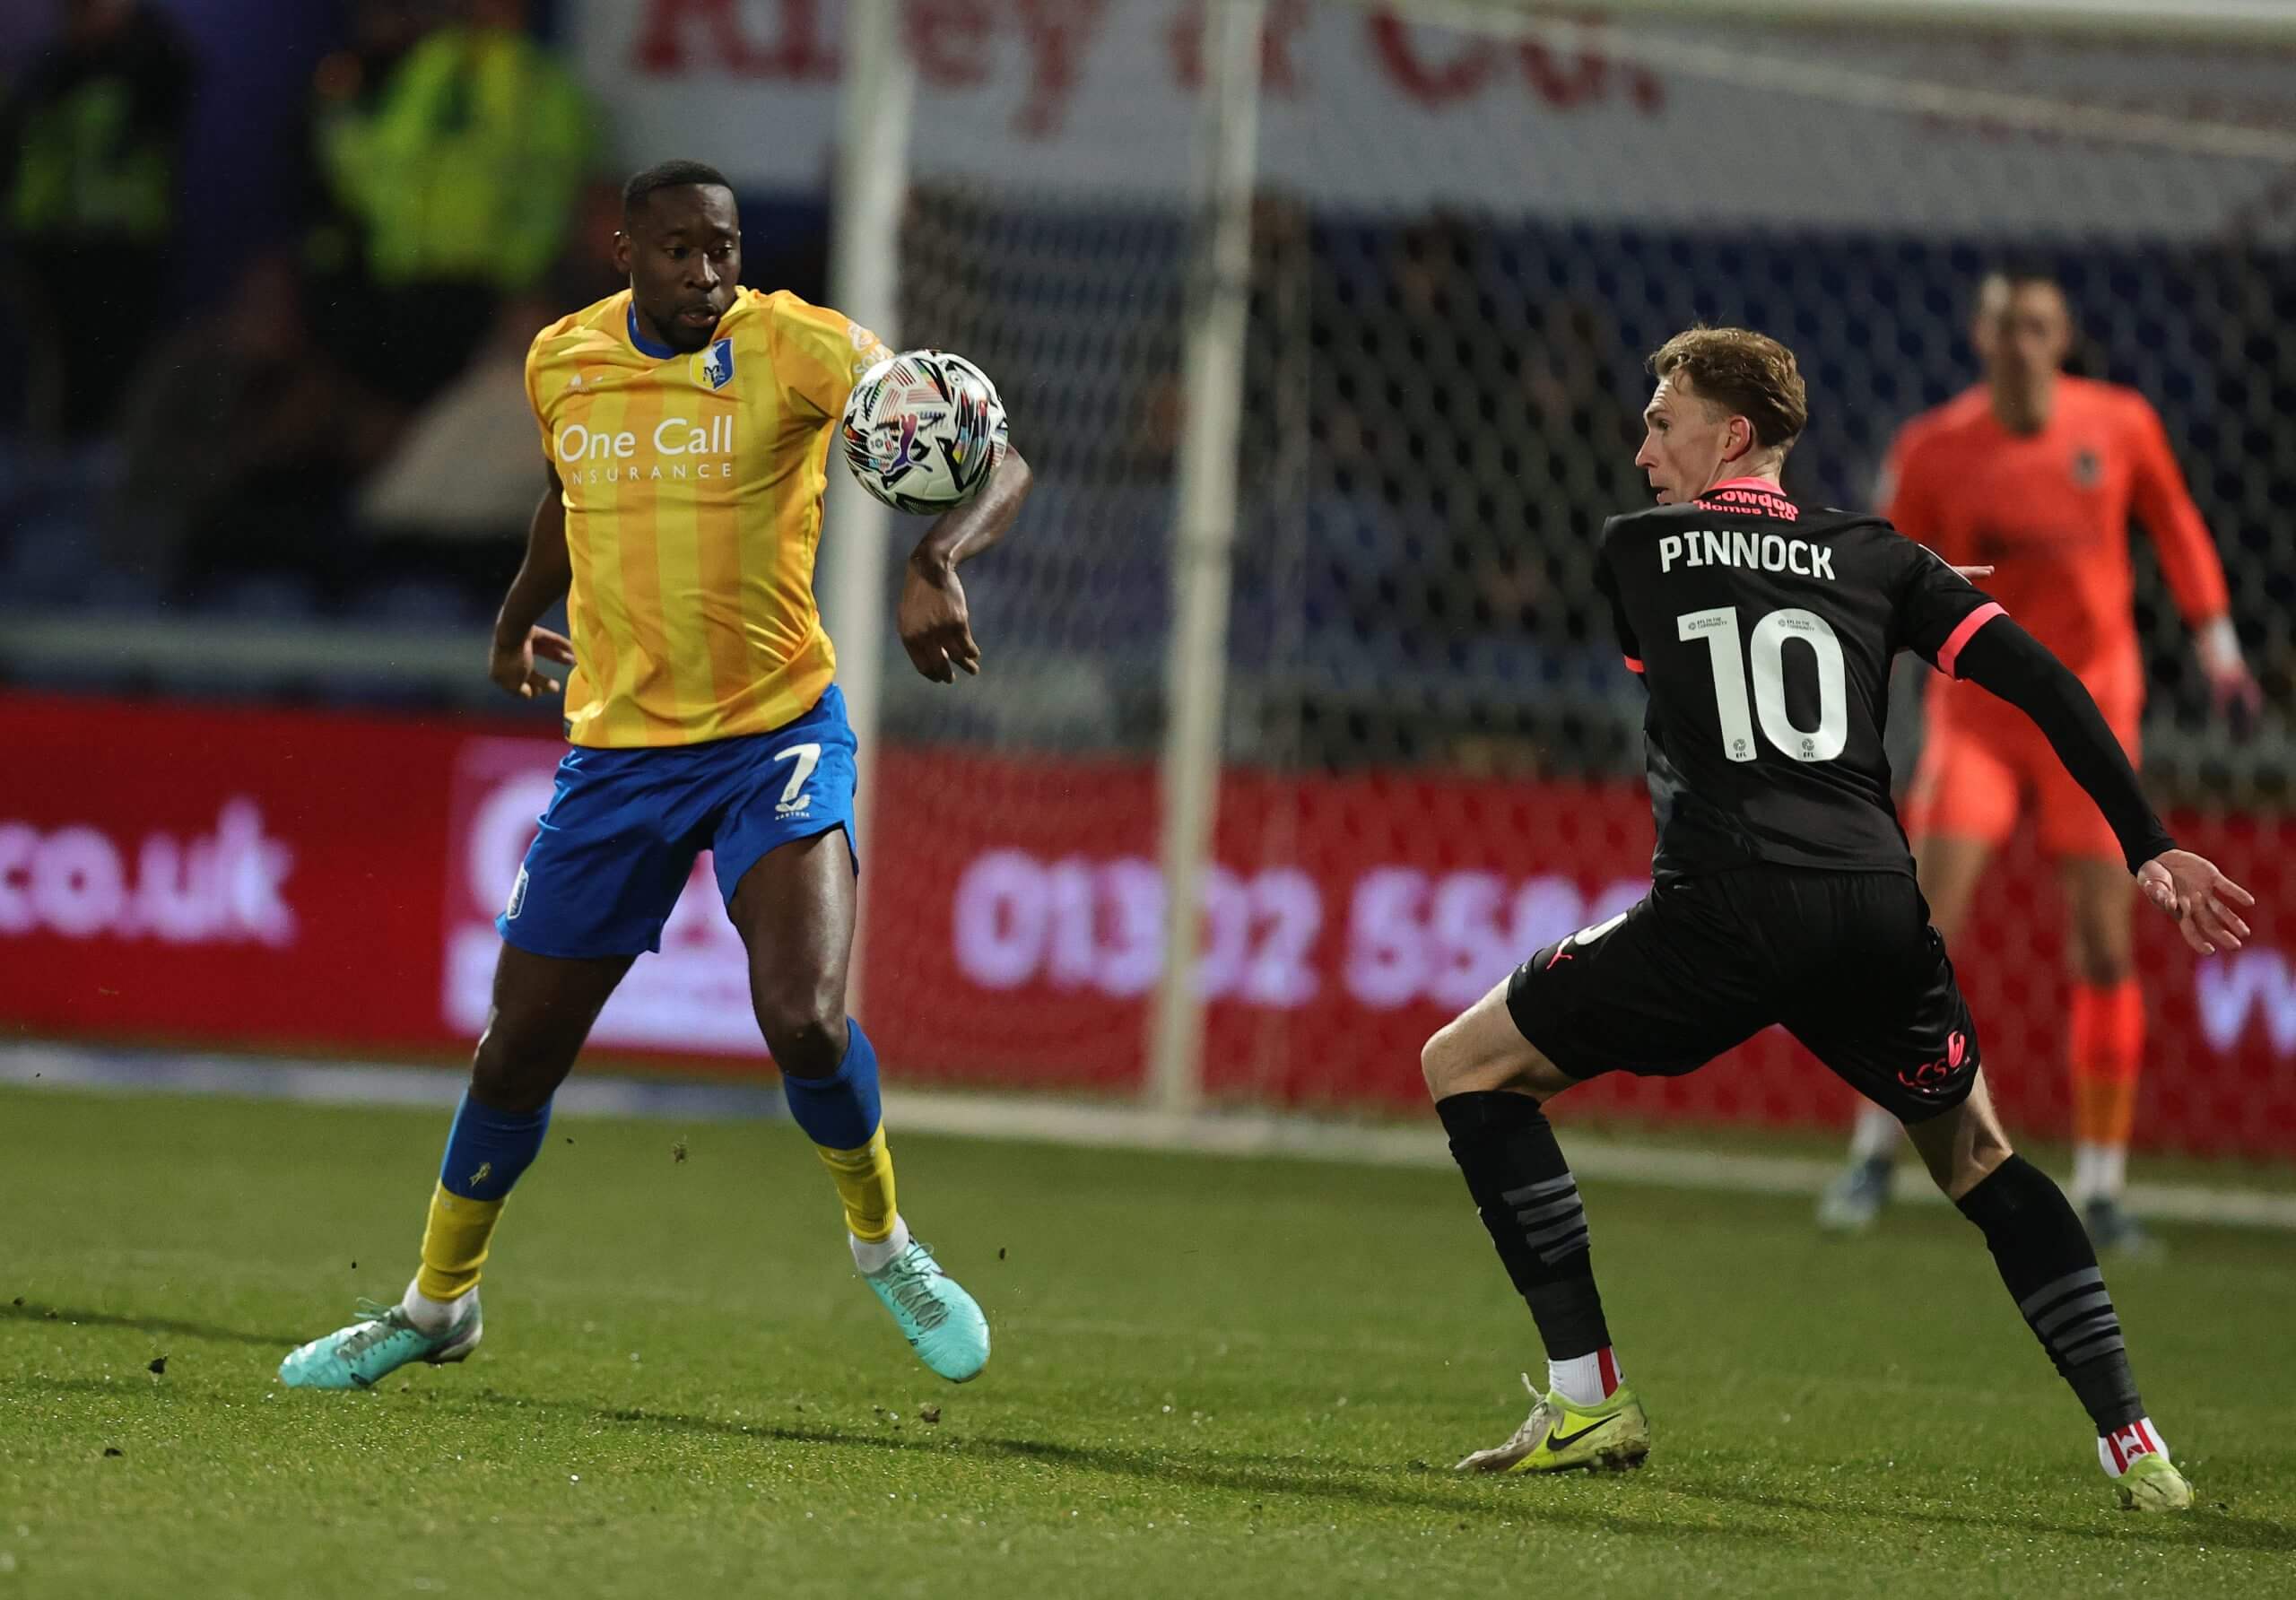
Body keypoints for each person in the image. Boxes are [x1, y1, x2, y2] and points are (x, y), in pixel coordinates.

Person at [1420, 326, 2249, 1510]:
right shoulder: (1887, 560)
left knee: (1466, 1064)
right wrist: (2149, 843)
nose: (1643, 443)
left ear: (1733, 435)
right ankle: (2136, 1444)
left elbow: (1687, 684)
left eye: (1664, 421)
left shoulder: (1636, 549)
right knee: (1979, 1158)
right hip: (1872, 910)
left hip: (1720, 914)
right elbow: (2051, 685)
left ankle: (1589, 1397)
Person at [280, 159, 1033, 1390]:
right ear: (624, 251)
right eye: (680, 250)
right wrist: (518, 617)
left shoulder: (798, 345)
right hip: (620, 756)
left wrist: (939, 554)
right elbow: (568, 497)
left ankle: (885, 1246)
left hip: (774, 735)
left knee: (803, 1018)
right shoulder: (561, 361)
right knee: (515, 1054)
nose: (708, 273)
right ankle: (437, 1307)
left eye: (724, 249)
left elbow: (995, 452)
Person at [1818, 267, 2260, 1250]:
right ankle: (1870, 1154)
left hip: (2090, 715)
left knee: (2104, 945)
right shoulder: (1934, 449)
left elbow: (2177, 527)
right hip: (1976, 721)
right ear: (1980, 337)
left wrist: (2218, 643)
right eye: (2006, 325)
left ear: (2061, 338)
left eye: (2039, 325)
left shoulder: (2119, 425)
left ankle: (2101, 1183)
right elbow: (1885, 589)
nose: (2022, 341)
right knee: (1915, 932)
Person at [0, 0, 195, 441]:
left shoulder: (150, 58)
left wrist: (133, 30)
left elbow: (171, 81)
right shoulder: (45, 74)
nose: (85, 18)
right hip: (46, 252)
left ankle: (105, 483)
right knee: (57, 385)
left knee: (121, 380)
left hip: (122, 250)